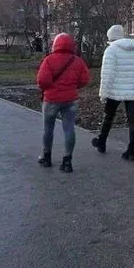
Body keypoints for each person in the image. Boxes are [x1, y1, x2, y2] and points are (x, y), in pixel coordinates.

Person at [36, 33, 90, 173]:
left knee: (48, 128)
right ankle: (67, 161)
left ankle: (46, 157)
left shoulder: (48, 60)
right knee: (69, 129)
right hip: (70, 100)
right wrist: (73, 87)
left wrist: (48, 88)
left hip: (51, 100)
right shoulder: (77, 61)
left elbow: (42, 81)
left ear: (55, 45)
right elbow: (84, 80)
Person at [93, 24, 134, 161]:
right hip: (131, 89)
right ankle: (132, 150)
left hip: (115, 90)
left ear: (111, 37)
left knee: (108, 117)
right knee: (133, 120)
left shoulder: (111, 51)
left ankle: (102, 142)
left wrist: (103, 93)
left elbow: (107, 74)